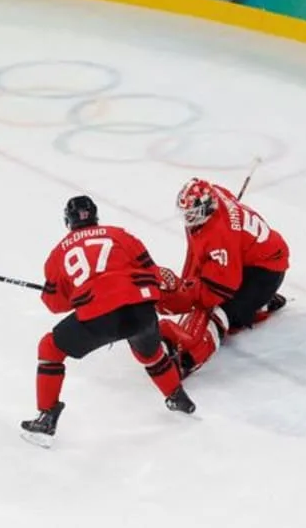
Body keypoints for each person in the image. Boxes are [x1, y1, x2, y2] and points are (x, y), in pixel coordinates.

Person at [20, 195, 195, 448]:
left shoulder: (59, 253)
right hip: (141, 309)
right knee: (151, 354)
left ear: (68, 221)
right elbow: (152, 271)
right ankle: (177, 396)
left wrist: (77, 295)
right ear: (96, 216)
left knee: (50, 348)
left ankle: (47, 417)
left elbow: (54, 304)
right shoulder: (120, 235)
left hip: (100, 315)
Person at [161, 178, 290, 375]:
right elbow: (199, 255)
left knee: (219, 313)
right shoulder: (215, 194)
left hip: (265, 272)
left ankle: (190, 360)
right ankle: (257, 304)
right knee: (209, 291)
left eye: (192, 214)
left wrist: (190, 297)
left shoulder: (220, 236)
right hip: (253, 259)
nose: (188, 219)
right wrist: (186, 288)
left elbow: (220, 288)